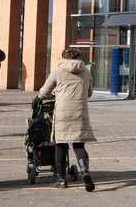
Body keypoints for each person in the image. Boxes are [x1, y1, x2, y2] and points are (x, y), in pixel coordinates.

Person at [38, 47, 97, 191]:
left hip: (63, 112)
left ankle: (62, 180)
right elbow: (89, 93)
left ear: (63, 57)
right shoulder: (86, 71)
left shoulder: (57, 71)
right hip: (80, 112)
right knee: (79, 145)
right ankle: (85, 172)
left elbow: (43, 92)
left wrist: (55, 93)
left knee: (61, 145)